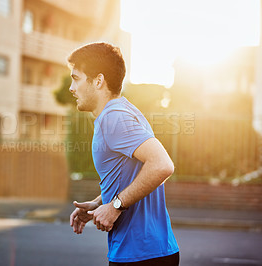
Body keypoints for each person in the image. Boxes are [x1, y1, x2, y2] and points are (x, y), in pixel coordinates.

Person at [68, 42, 180, 265]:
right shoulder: (124, 111)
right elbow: (133, 172)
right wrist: (102, 202)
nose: (71, 88)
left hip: (141, 254)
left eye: (76, 78)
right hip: (151, 251)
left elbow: (162, 165)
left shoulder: (114, 118)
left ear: (98, 81)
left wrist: (116, 206)